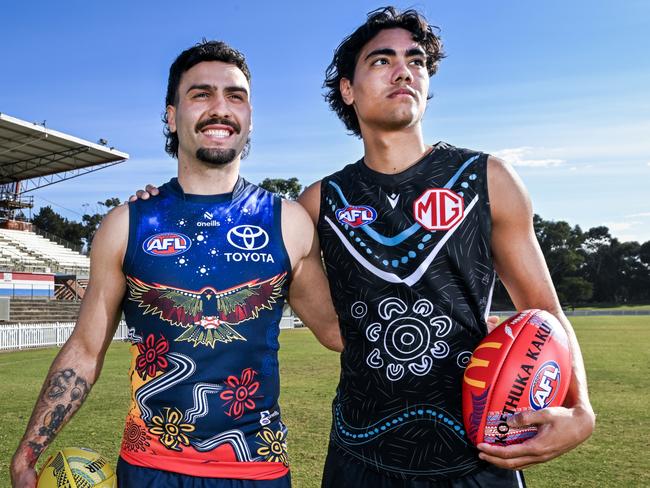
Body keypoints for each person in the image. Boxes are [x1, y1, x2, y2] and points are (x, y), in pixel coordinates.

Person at [10, 41, 341, 488]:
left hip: (257, 470)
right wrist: (29, 449)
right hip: (149, 470)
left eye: (235, 96)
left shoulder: (289, 222)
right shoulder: (126, 224)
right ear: (171, 114)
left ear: (249, 118)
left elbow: (340, 333)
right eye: (201, 94)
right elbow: (86, 351)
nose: (220, 108)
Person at [297, 6, 596, 487]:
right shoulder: (317, 203)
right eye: (381, 61)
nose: (404, 71)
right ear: (347, 90)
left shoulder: (487, 179)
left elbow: (543, 311)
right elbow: (334, 330)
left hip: (477, 456)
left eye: (416, 61)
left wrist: (580, 409)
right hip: (361, 453)